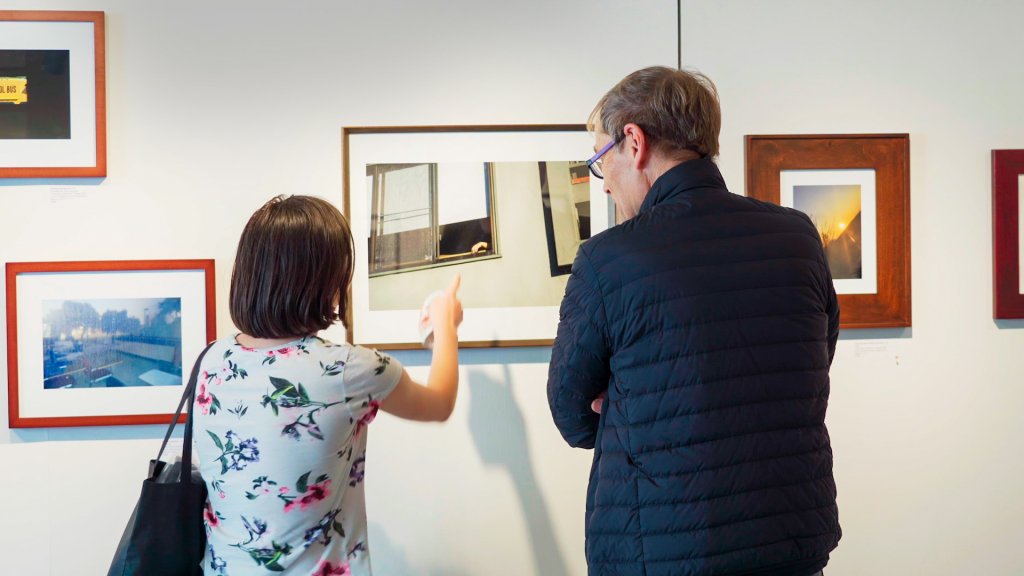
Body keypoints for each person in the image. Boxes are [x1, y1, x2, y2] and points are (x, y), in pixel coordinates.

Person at [547, 66, 841, 576]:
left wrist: (630, 401)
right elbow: (816, 357)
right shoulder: (797, 237)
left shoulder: (607, 260)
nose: (605, 185)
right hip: (789, 541)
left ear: (633, 142)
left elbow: (572, 413)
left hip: (662, 550)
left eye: (601, 161)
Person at [194, 195, 462, 575]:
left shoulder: (211, 360)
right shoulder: (348, 370)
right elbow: (439, 404)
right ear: (327, 279)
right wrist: (445, 323)